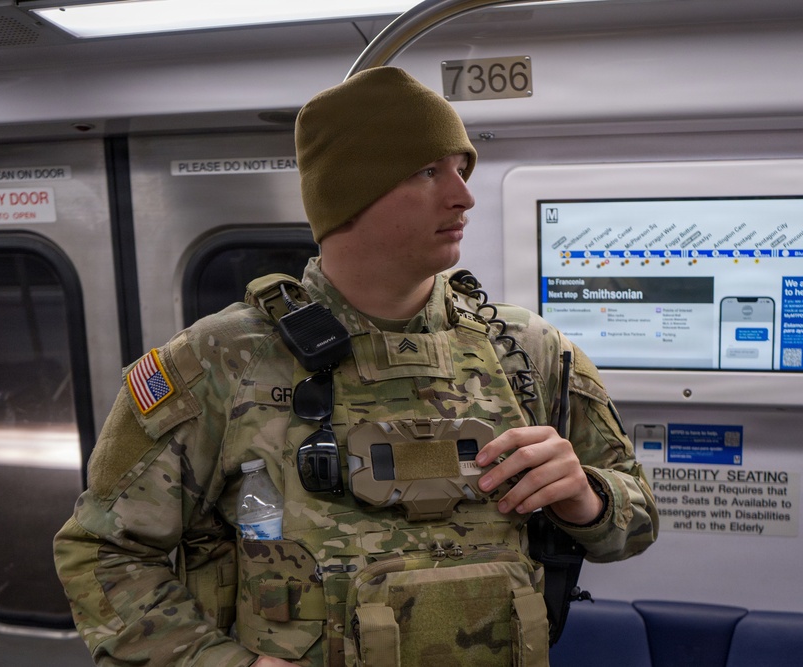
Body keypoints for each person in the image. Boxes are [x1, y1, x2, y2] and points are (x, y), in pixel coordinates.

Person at [54, 66, 658, 667]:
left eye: (461, 169)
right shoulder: (221, 361)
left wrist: (588, 499)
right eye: (428, 171)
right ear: (351, 196)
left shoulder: (528, 351)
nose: (464, 195)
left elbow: (637, 518)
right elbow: (102, 550)